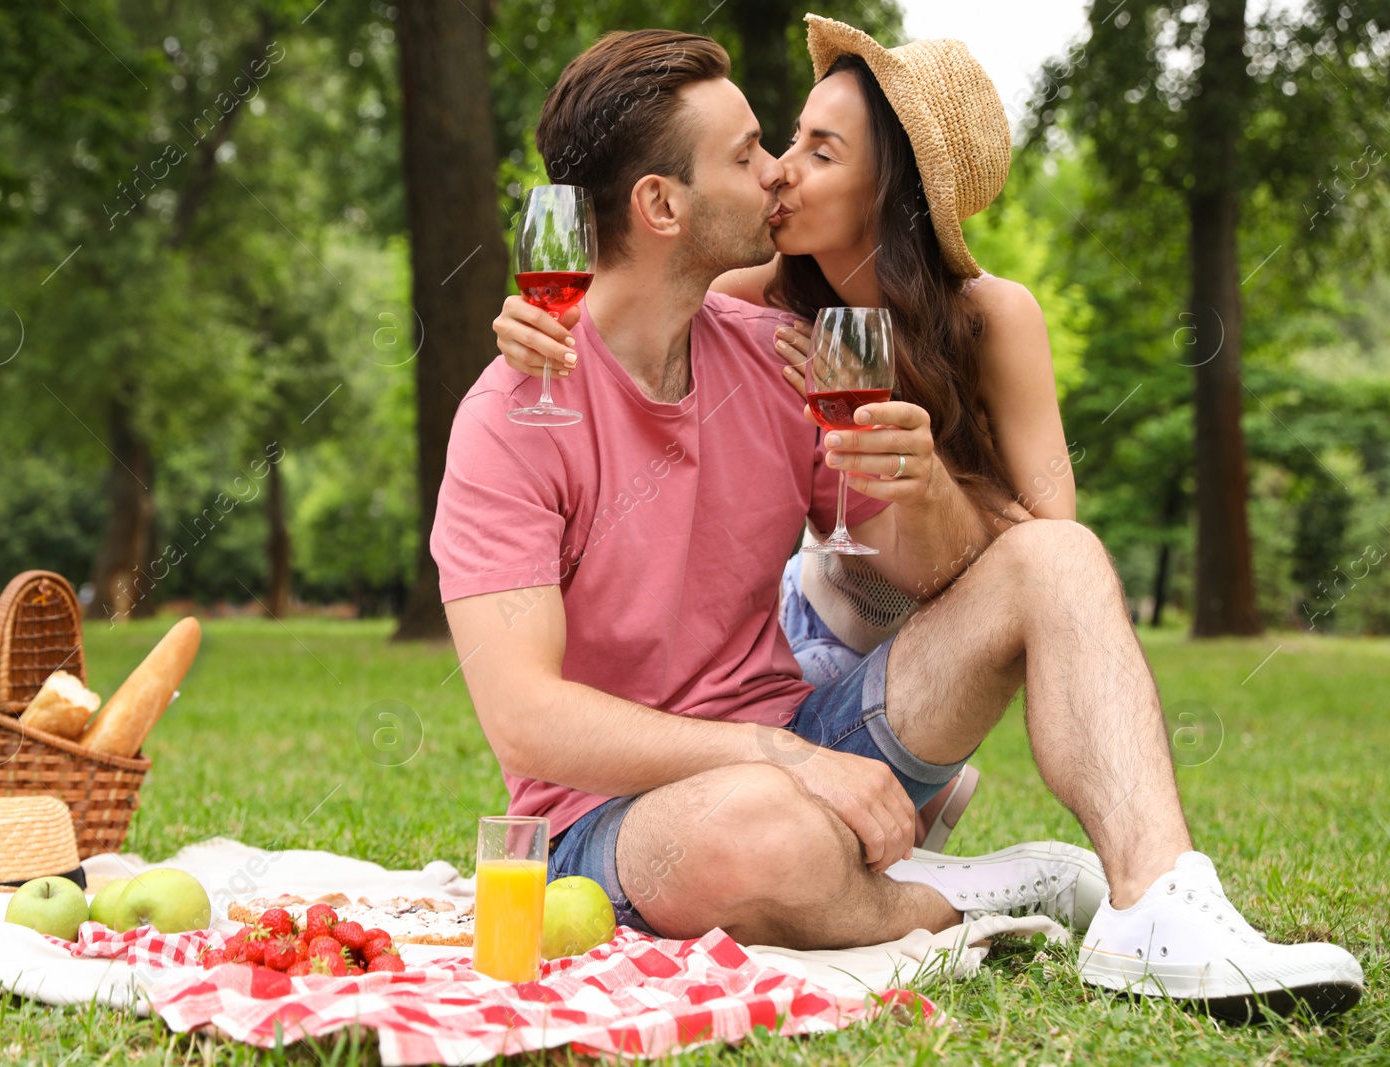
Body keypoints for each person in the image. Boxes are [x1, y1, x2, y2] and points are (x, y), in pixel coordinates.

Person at [434, 21, 1362, 1019]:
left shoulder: (786, 350)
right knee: (753, 830)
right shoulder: (511, 416)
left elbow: (935, 577)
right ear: (661, 203)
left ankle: (1157, 897)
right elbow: (526, 719)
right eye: (748, 153)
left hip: (807, 732)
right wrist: (784, 760)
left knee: (1055, 555)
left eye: (789, 147)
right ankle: (970, 894)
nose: (775, 174)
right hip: (628, 813)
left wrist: (917, 487)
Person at [491, 17, 1078, 850]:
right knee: (781, 806)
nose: (780, 174)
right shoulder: (756, 296)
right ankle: (884, 813)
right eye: (786, 141)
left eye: (820, 153)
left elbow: (1057, 546)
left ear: (892, 192)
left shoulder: (996, 317)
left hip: (933, 611)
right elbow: (634, 304)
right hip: (819, 625)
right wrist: (533, 324)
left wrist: (931, 479)